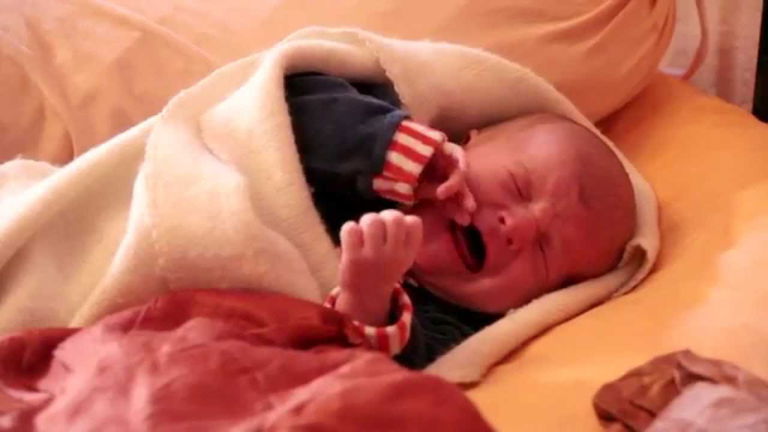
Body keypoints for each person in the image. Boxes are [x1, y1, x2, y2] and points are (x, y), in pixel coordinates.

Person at [285, 73, 636, 368]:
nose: (517, 228)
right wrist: (398, 153)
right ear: (466, 143)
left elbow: (386, 380)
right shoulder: (380, 119)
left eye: (544, 250)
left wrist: (368, 299)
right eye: (517, 186)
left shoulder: (452, 330)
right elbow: (287, 107)